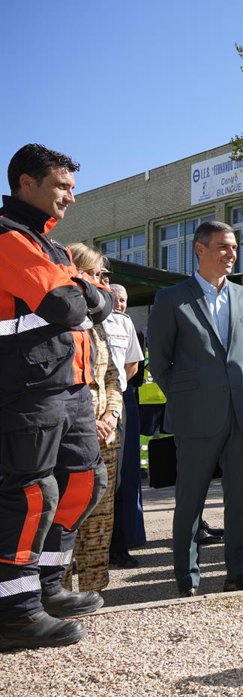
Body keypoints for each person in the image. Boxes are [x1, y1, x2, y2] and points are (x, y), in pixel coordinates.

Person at [0, 144, 111, 650]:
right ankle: (15, 610)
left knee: (85, 480)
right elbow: (67, 305)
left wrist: (85, 291)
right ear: (27, 183)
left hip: (70, 386)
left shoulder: (55, 248)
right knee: (31, 493)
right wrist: (83, 291)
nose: (71, 196)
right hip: (26, 388)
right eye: (61, 186)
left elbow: (100, 303)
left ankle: (47, 586)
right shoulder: (8, 236)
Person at [147, 221, 243, 596]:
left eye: (235, 247)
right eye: (224, 246)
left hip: (241, 412)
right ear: (200, 249)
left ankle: (237, 573)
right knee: (190, 500)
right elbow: (159, 362)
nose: (232, 254)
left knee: (240, 500)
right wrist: (187, 399)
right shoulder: (171, 298)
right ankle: (187, 577)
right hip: (195, 415)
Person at [63, 245, 122, 594]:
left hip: (106, 438)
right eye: (98, 275)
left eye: (104, 276)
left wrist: (111, 414)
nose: (104, 283)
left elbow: (112, 376)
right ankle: (59, 595)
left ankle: (94, 592)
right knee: (66, 517)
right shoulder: (57, 321)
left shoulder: (96, 325)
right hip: (71, 437)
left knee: (100, 519)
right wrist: (90, 423)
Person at [104, 283, 146, 569]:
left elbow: (132, 365)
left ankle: (120, 545)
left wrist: (114, 393)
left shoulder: (125, 324)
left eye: (124, 300)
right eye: (115, 299)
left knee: (121, 475)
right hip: (88, 403)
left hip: (120, 399)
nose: (120, 304)